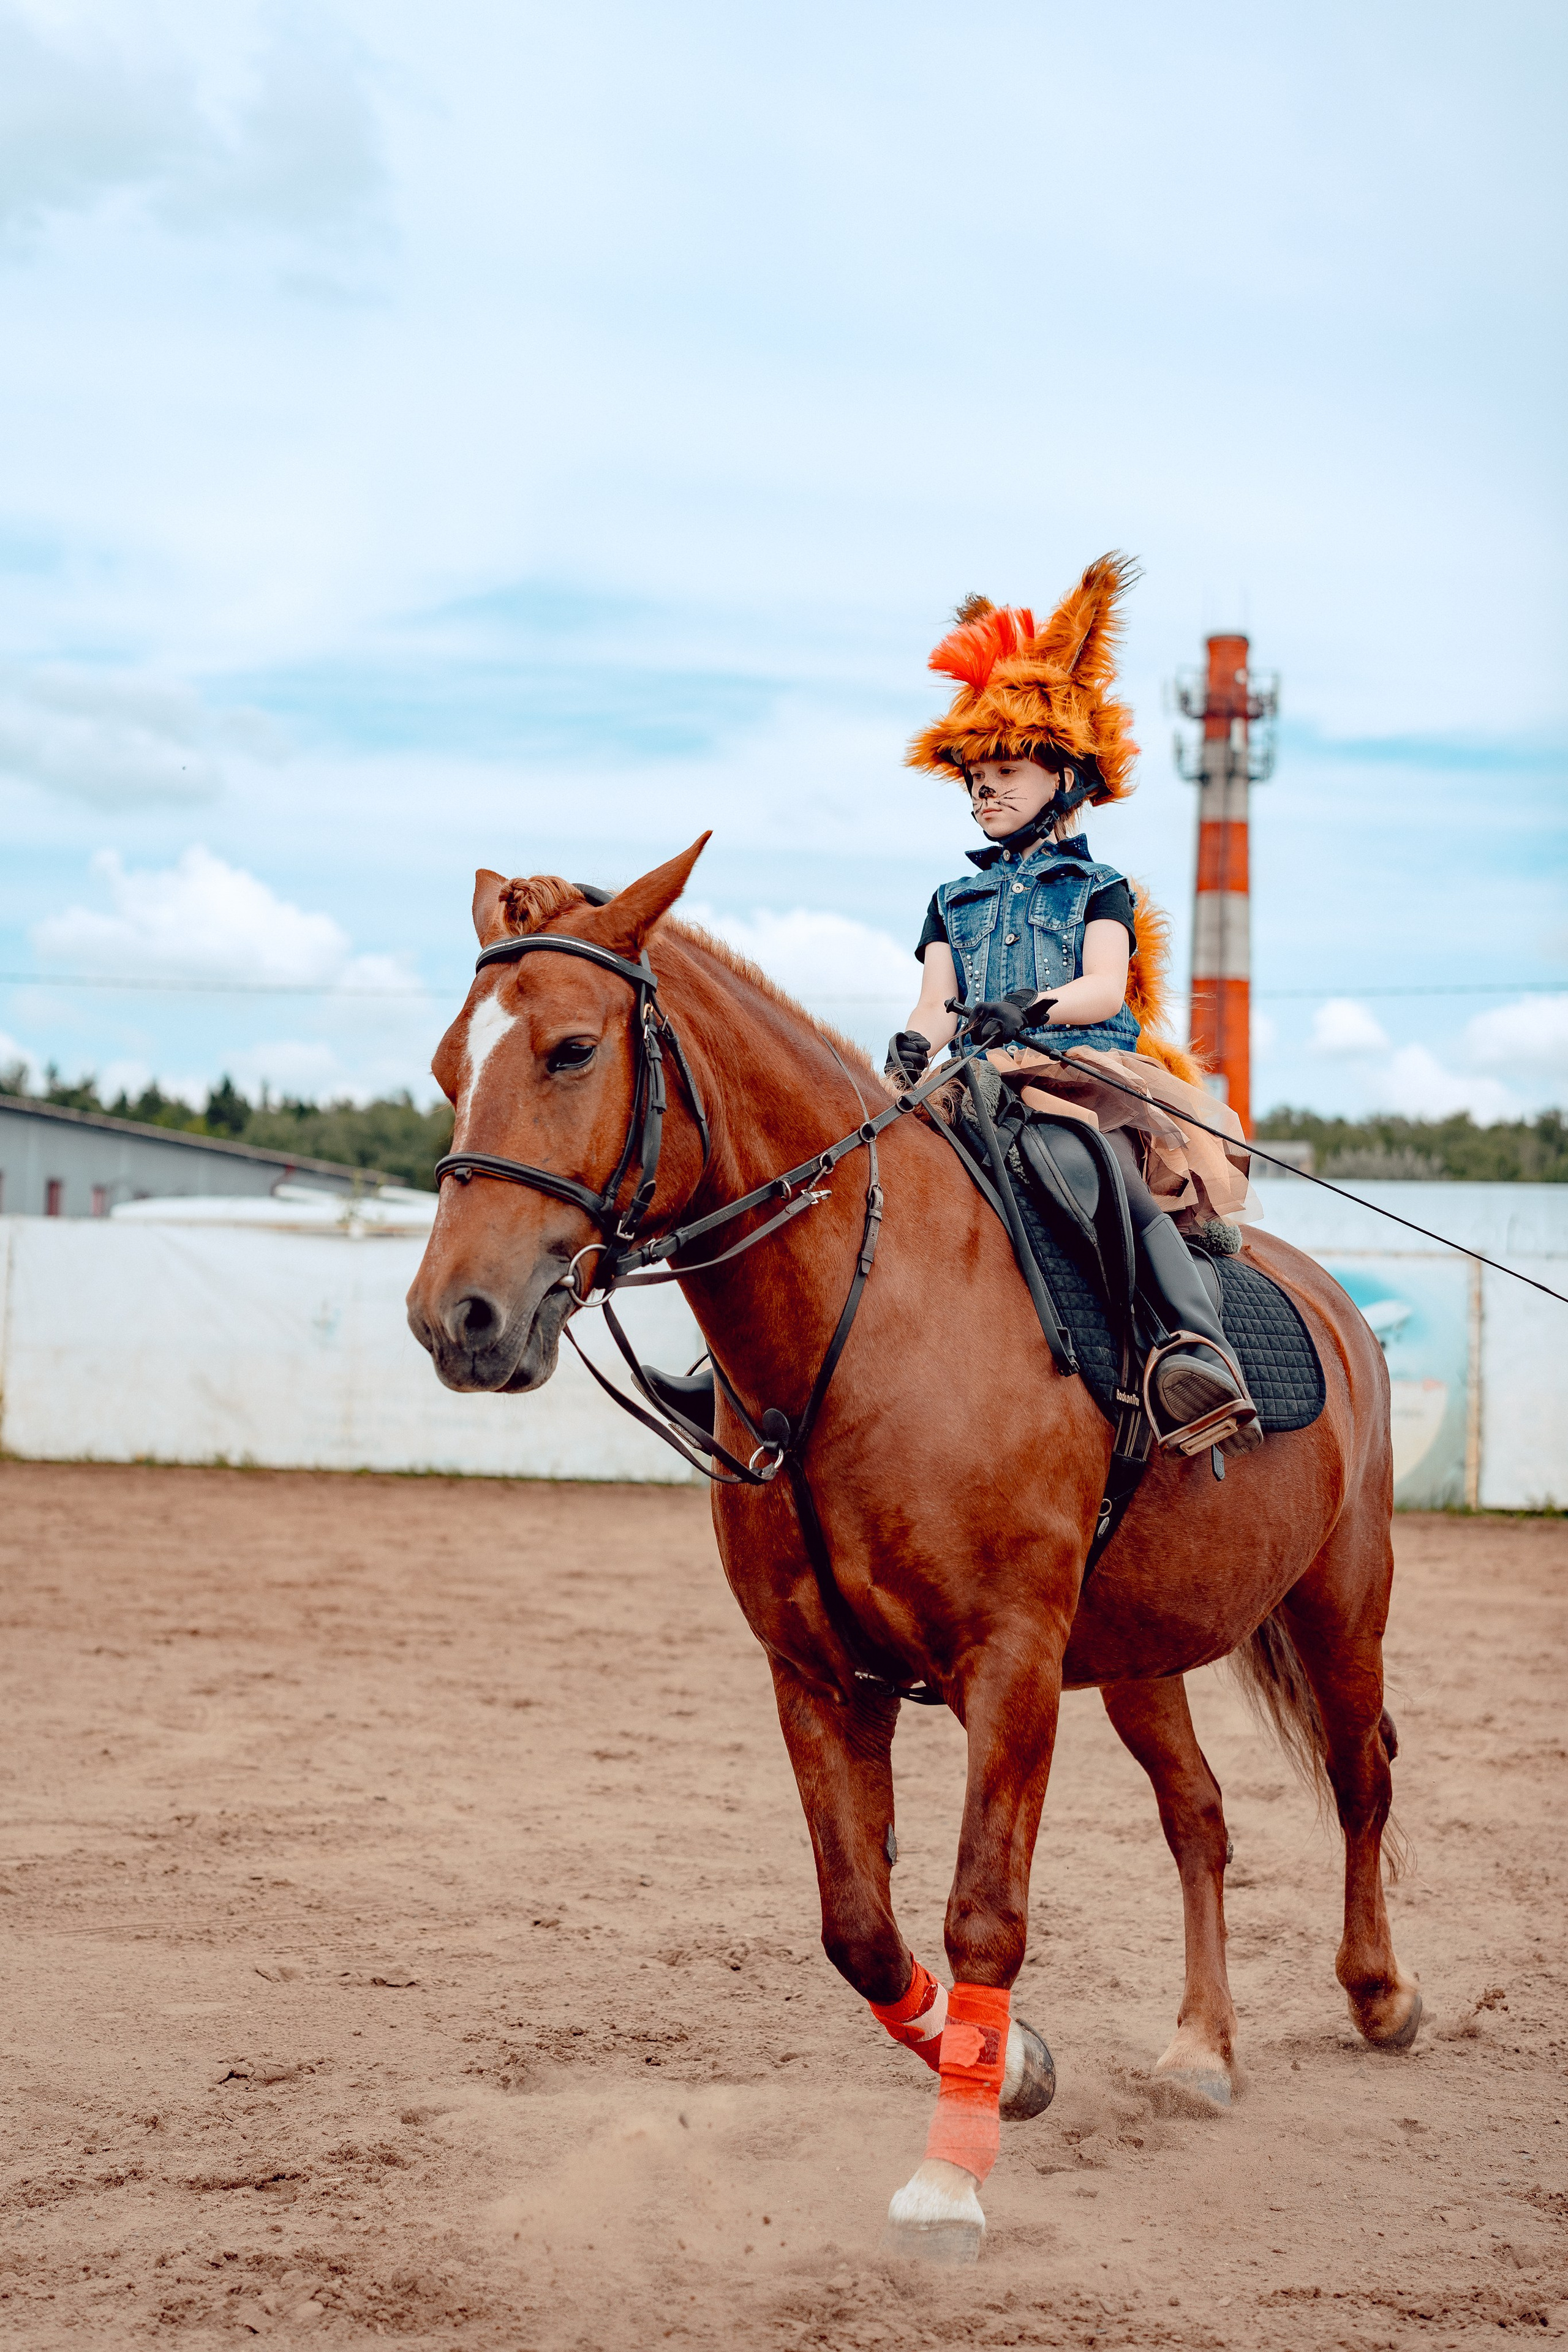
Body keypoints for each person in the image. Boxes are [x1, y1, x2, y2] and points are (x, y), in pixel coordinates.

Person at [886, 554, 1261, 1457]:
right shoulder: (951, 899)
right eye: (976, 773)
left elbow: (1103, 985)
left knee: (1075, 1163)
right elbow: (938, 1000)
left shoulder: (1102, 885)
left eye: (1008, 766)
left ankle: (1191, 1346)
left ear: (1067, 773)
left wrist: (1031, 1006)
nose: (987, 787)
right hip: (971, 1076)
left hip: (1075, 1070)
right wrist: (910, 1043)